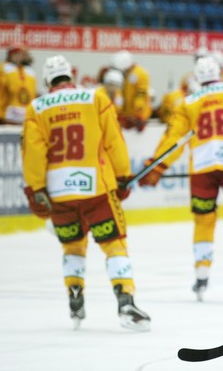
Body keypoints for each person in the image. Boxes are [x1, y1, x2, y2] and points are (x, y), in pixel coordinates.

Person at [21, 55, 150, 331]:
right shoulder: (95, 98)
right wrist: (123, 175)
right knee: (114, 244)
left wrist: (36, 189)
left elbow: (33, 153)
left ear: (48, 80)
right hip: (97, 190)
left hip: (58, 195)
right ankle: (125, 301)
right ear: (71, 76)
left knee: (72, 247)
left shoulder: (36, 108)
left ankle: (75, 297)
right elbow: (114, 140)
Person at [139, 56, 223, 300]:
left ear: (196, 78)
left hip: (202, 170)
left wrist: (156, 166)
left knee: (203, 222)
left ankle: (201, 275)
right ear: (220, 72)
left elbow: (173, 140)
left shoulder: (188, 102)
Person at [0, 44, 37, 124]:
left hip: (24, 117)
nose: (20, 57)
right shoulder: (1, 69)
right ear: (12, 55)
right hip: (6, 117)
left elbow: (31, 94)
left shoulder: (29, 72)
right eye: (18, 54)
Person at [110, 50, 152, 131]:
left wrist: (138, 116)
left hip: (138, 117)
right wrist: (119, 114)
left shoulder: (141, 74)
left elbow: (141, 95)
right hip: (126, 117)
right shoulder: (125, 75)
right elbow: (119, 95)